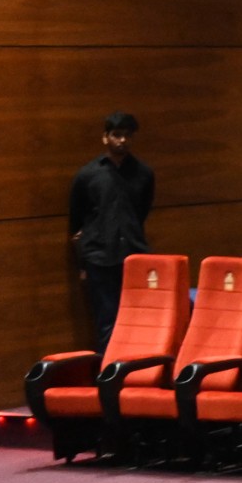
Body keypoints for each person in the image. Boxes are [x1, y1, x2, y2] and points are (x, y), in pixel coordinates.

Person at [69, 111, 155, 349]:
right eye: (117, 134)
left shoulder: (144, 174)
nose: (122, 140)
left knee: (139, 318)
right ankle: (110, 369)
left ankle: (136, 367)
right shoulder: (88, 175)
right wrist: (83, 263)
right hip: (100, 256)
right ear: (105, 137)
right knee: (107, 320)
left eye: (128, 135)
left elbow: (141, 212)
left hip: (134, 254)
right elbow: (78, 218)